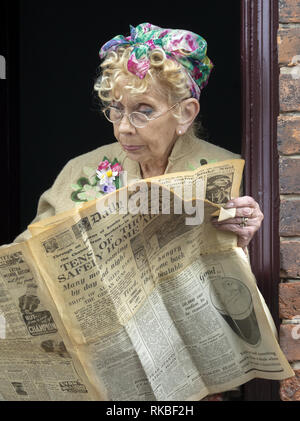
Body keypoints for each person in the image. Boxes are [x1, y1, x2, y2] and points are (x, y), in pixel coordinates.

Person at [9, 23, 265, 400]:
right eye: (116, 109)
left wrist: (245, 241)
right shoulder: (82, 172)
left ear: (185, 113)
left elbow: (245, 291)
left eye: (143, 111)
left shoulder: (226, 173)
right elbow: (28, 260)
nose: (124, 128)